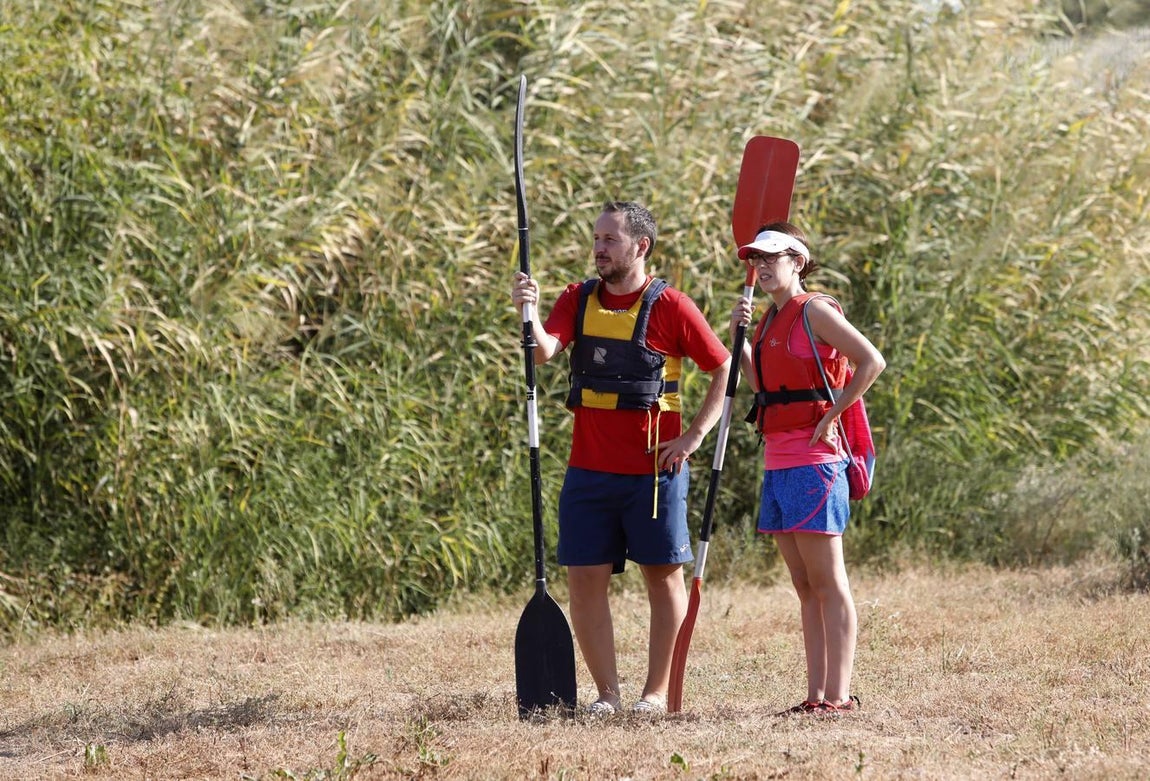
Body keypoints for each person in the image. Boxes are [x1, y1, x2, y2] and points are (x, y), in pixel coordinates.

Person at [511, 201, 731, 716]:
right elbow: (543, 350)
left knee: (663, 578)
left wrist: (694, 436)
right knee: (583, 581)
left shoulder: (673, 306)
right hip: (588, 472)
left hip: (656, 475)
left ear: (641, 246)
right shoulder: (576, 298)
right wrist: (526, 308)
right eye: (596, 238)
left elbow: (722, 368)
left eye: (610, 239)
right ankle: (607, 694)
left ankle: (655, 694)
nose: (599, 248)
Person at [730, 221, 885, 716]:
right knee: (804, 587)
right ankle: (816, 696)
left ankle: (838, 697)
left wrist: (835, 415)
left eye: (772, 257)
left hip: (816, 464)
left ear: (798, 260)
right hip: (778, 461)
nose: (761, 266)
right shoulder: (769, 320)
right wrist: (742, 341)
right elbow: (764, 387)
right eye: (756, 259)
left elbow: (871, 361)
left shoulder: (814, 309)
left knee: (828, 582)